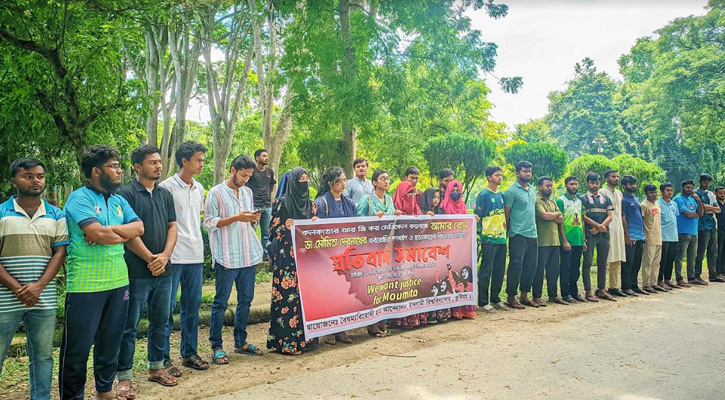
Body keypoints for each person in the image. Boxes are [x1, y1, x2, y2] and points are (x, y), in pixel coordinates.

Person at [59, 145, 144, 400]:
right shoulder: (79, 198)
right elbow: (98, 234)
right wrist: (109, 233)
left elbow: (139, 228)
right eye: (114, 166)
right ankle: (73, 397)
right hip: (85, 285)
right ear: (97, 171)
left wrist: (107, 233)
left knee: (110, 343)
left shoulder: (118, 200)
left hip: (119, 281)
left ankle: (104, 392)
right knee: (77, 349)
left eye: (119, 166)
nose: (120, 171)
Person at [0, 158, 68, 400]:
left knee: (43, 356)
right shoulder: (1, 213)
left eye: (39, 175)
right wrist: (19, 289)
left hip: (44, 298)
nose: (35, 180)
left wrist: (38, 287)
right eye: (27, 176)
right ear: (13, 181)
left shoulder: (56, 214)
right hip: (5, 300)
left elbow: (59, 252)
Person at [116, 146, 179, 397]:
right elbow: (127, 233)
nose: (158, 166)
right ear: (137, 166)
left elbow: (173, 227)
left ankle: (156, 367)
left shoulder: (165, 194)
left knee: (161, 321)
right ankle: (125, 376)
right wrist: (150, 258)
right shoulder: (126, 195)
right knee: (129, 326)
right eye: (152, 162)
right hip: (135, 272)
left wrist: (164, 256)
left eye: (160, 162)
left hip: (165, 270)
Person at [203, 154, 265, 364]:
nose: (246, 179)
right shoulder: (216, 193)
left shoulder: (247, 192)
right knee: (221, 302)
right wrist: (237, 218)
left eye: (249, 176)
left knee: (245, 300)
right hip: (226, 255)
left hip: (247, 253)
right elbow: (209, 222)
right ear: (232, 170)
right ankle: (217, 346)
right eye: (243, 175)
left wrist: (253, 219)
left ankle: (241, 341)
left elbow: (248, 224)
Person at [158, 141, 209, 373]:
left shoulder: (199, 188)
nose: (202, 163)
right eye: (198, 159)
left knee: (192, 307)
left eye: (203, 159)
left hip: (195, 254)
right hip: (174, 255)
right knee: (167, 309)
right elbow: (164, 223)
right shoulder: (166, 188)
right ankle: (163, 358)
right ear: (184, 161)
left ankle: (189, 353)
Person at [267, 167, 314, 355]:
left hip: (306, 260)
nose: (305, 182)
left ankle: (306, 341)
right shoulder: (280, 204)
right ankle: (286, 343)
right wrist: (285, 228)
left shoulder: (311, 205)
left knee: (306, 300)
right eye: (301, 179)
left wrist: (316, 223)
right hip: (286, 260)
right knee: (287, 300)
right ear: (293, 182)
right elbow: (272, 233)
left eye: (307, 179)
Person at [313, 167, 362, 341]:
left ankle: (341, 328)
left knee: (343, 291)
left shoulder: (349, 202)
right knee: (328, 292)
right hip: (327, 256)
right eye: (339, 181)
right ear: (330, 184)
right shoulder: (321, 203)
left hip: (346, 253)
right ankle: (328, 329)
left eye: (344, 180)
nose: (343, 184)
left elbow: (356, 226)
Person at [504, 161, 538, 309]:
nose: (528, 174)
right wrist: (510, 231)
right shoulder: (511, 191)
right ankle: (511, 297)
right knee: (516, 265)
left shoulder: (532, 189)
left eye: (529, 171)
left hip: (532, 233)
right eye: (524, 171)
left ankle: (524, 295)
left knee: (531, 266)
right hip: (517, 234)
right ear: (518, 173)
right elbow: (507, 213)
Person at [441, 180, 477, 319]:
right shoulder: (443, 206)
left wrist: (473, 219)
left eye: (458, 191)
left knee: (463, 278)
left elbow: (467, 225)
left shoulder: (463, 207)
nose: (455, 193)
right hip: (448, 248)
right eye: (453, 191)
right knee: (452, 277)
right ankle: (453, 310)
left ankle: (465, 309)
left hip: (462, 248)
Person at [474, 166, 508, 312]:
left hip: (502, 239)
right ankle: (483, 301)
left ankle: (495, 298)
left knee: (500, 270)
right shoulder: (484, 195)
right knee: (486, 270)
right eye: (496, 175)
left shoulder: (501, 195)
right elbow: (477, 217)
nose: (499, 177)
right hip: (488, 239)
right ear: (489, 177)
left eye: (501, 175)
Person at [580, 173, 615, 302]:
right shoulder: (582, 199)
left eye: (596, 183)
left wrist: (600, 227)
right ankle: (588, 291)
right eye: (592, 183)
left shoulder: (605, 199)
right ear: (587, 183)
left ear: (600, 183)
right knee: (587, 263)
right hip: (590, 235)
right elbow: (583, 216)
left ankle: (601, 290)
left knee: (602, 263)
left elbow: (610, 216)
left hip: (604, 235)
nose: (594, 185)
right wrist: (597, 226)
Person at [534, 176, 566, 305]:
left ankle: (553, 295)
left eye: (551, 186)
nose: (550, 188)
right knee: (539, 271)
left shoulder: (552, 202)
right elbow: (543, 216)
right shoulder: (536, 200)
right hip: (542, 241)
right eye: (547, 185)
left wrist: (553, 216)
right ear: (540, 187)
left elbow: (561, 219)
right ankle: (537, 296)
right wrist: (555, 215)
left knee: (553, 271)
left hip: (554, 241)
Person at [556, 176, 586, 303]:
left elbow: (582, 220)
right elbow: (560, 222)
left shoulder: (579, 201)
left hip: (578, 239)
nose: (574, 186)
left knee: (575, 268)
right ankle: (565, 293)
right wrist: (564, 240)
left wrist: (583, 239)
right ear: (566, 185)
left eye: (576, 184)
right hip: (567, 240)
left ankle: (574, 292)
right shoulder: (561, 201)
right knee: (565, 268)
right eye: (571, 184)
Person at [600, 169, 627, 297]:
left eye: (617, 176)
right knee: (605, 257)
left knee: (617, 257)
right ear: (607, 178)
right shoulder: (601, 192)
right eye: (613, 176)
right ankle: (602, 287)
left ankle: (614, 286)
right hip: (607, 228)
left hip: (619, 228)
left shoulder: (619, 193)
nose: (616, 178)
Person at [247, 149, 276, 261]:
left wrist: (268, 196)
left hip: (267, 205)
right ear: (257, 158)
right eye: (264, 156)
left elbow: (271, 186)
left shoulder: (269, 172)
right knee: (252, 230)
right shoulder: (252, 172)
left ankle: (265, 254)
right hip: (254, 205)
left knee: (266, 232)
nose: (266, 158)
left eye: (267, 156)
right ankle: (252, 254)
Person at [674, 179, 704, 286]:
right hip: (683, 231)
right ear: (682, 187)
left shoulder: (692, 200)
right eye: (687, 187)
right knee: (680, 256)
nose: (690, 190)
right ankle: (679, 278)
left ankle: (691, 277)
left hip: (693, 231)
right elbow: (687, 213)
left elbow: (700, 213)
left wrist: (698, 200)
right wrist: (694, 214)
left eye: (691, 188)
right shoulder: (678, 199)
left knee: (692, 256)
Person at [620, 175, 646, 295]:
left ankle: (634, 285)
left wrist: (642, 234)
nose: (633, 186)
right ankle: (626, 286)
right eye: (630, 184)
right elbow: (623, 218)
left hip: (640, 236)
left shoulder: (636, 199)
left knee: (637, 262)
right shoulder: (623, 199)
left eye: (634, 184)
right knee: (628, 263)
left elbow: (639, 217)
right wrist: (626, 235)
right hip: (630, 236)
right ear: (624, 186)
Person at [694, 174, 723, 283]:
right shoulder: (695, 194)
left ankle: (713, 274)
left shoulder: (710, 194)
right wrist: (710, 209)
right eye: (705, 182)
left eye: (709, 182)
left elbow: (718, 209)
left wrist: (708, 207)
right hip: (701, 226)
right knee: (701, 251)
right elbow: (701, 210)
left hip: (712, 224)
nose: (707, 184)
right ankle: (697, 274)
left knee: (713, 251)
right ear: (700, 181)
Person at [640, 184, 664, 293]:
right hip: (648, 237)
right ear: (646, 193)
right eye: (651, 193)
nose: (654, 195)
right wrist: (643, 235)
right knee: (647, 262)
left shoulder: (658, 205)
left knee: (656, 262)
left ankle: (654, 283)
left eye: (655, 192)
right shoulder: (644, 205)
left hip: (658, 237)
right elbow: (640, 221)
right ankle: (646, 284)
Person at [658, 183, 681, 289]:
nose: (670, 192)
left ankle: (668, 279)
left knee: (671, 259)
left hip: (673, 236)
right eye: (667, 190)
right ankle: (659, 280)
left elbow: (675, 217)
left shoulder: (674, 204)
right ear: (662, 191)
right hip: (663, 236)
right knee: (662, 260)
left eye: (671, 190)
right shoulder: (658, 204)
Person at [716, 187, 725, 281]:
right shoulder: (715, 204)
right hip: (718, 229)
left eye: (723, 193)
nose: (722, 195)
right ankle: (718, 271)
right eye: (720, 193)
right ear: (716, 194)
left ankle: (723, 271)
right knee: (719, 250)